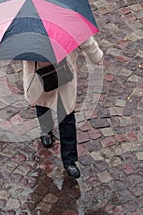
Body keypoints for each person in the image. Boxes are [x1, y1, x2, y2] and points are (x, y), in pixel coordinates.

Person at [23, 36, 103, 178]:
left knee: (66, 115)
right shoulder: (27, 24)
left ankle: (69, 161)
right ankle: (46, 130)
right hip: (39, 72)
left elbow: (82, 35)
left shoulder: (66, 15)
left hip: (63, 71)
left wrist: (95, 54)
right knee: (43, 104)